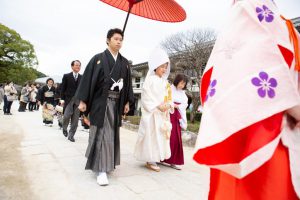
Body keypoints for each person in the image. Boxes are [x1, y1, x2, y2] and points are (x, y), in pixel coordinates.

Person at [193, 0, 300, 199]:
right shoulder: (249, 6)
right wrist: (296, 106)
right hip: (262, 126)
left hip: (286, 127)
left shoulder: (272, 14)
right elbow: (258, 62)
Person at [75, 28, 134, 186]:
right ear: (108, 40)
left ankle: (106, 163)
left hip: (116, 104)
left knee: (111, 135)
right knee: (101, 133)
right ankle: (101, 169)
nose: (119, 41)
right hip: (100, 103)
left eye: (121, 39)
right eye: (115, 38)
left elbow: (127, 85)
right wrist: (82, 100)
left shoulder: (124, 63)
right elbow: (87, 80)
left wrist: (128, 102)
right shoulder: (98, 59)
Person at [134, 48, 173, 172]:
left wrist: (168, 105)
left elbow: (169, 96)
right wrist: (157, 105)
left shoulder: (165, 82)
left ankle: (156, 157)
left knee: (160, 136)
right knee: (151, 136)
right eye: (162, 66)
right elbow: (146, 96)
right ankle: (150, 159)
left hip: (162, 114)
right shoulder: (149, 80)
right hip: (152, 113)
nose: (164, 69)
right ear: (155, 67)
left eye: (166, 67)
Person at [162, 74, 188, 170]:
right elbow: (165, 99)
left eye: (184, 84)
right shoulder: (169, 88)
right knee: (167, 136)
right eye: (181, 83)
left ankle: (173, 161)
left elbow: (185, 104)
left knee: (176, 138)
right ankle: (162, 158)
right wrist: (173, 105)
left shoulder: (183, 93)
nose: (182, 85)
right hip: (169, 114)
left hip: (177, 116)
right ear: (177, 81)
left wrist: (179, 106)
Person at [60, 60, 82, 142]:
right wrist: (62, 99)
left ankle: (71, 135)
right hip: (68, 100)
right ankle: (64, 128)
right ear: (72, 66)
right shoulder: (66, 76)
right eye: (76, 65)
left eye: (79, 65)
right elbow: (63, 88)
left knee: (75, 120)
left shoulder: (82, 77)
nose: (78, 67)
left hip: (78, 101)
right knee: (66, 116)